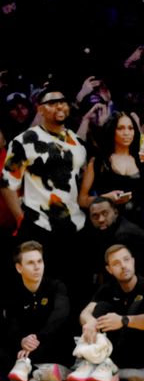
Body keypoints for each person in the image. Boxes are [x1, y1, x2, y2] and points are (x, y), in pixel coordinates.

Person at [2, 87, 88, 291]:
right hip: (39, 225)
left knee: (76, 288)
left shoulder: (77, 142)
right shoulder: (24, 140)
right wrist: (21, 219)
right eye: (51, 102)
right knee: (43, 290)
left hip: (74, 225)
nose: (59, 106)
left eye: (63, 101)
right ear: (40, 109)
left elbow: (81, 180)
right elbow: (7, 185)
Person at [71, 244, 144, 381]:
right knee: (102, 307)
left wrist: (124, 320)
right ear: (109, 270)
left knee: (135, 308)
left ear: (133, 261)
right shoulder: (107, 289)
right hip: (118, 350)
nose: (123, 266)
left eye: (126, 260)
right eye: (116, 263)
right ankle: (91, 361)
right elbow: (84, 314)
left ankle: (108, 368)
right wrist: (91, 322)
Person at [79, 112, 144, 233]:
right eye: (120, 128)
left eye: (130, 128)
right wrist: (106, 198)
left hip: (138, 227)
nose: (127, 133)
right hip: (107, 227)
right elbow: (82, 200)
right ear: (112, 131)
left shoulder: (143, 161)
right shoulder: (98, 162)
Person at [5, 241, 71, 381]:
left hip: (51, 343)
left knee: (60, 338)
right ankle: (30, 369)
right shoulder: (13, 293)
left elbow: (60, 315)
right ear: (19, 268)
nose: (37, 267)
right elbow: (12, 324)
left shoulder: (56, 286)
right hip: (25, 347)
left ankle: (30, 368)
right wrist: (22, 341)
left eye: (39, 261)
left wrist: (37, 339)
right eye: (30, 263)